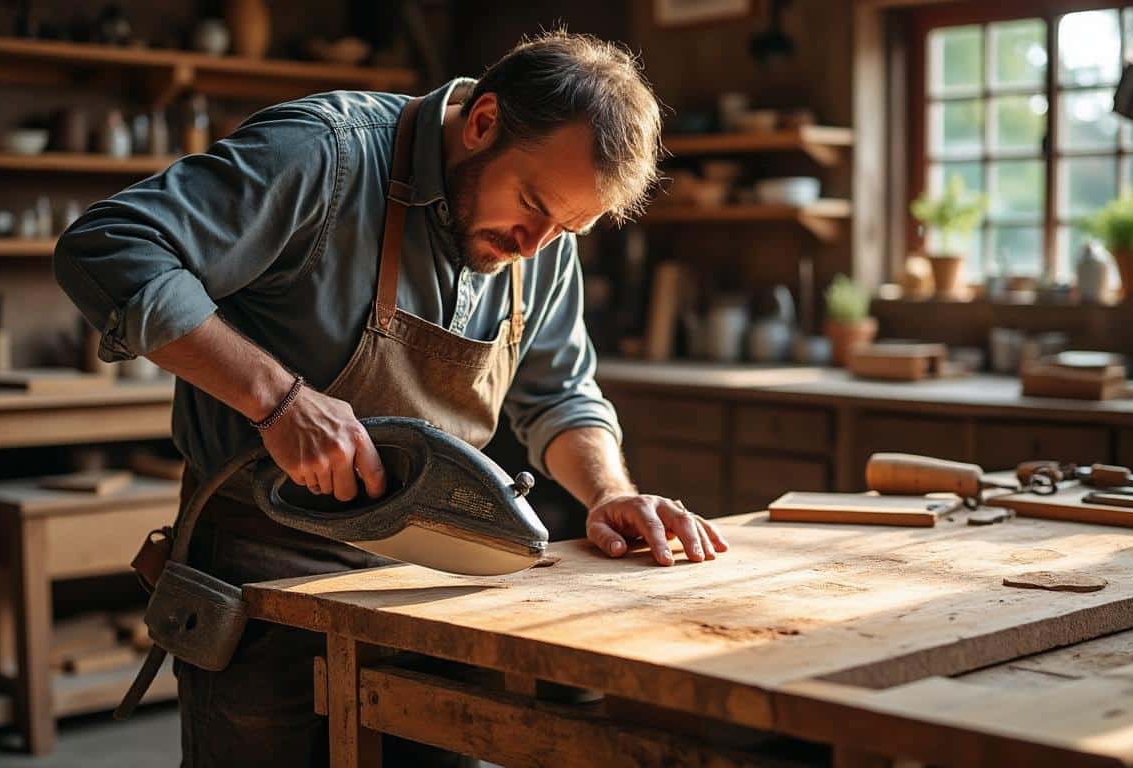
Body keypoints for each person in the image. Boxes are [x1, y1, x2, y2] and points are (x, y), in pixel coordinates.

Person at [55, 30, 728, 767]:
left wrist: (608, 492)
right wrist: (278, 399)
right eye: (532, 207)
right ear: (481, 122)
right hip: (265, 571)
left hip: (436, 580)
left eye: (566, 228)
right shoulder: (326, 155)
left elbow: (560, 391)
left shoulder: (542, 237)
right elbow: (109, 246)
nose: (534, 245)